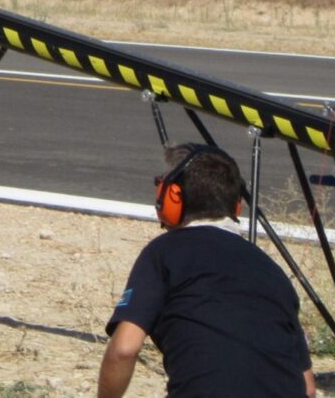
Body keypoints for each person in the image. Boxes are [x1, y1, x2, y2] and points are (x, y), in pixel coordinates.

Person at [98, 143, 316, 398]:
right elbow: (307, 387)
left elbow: (124, 349)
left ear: (171, 198)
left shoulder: (164, 252)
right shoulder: (273, 272)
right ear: (236, 207)